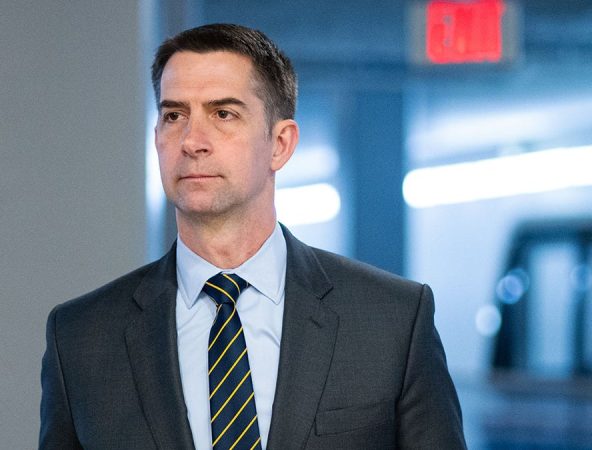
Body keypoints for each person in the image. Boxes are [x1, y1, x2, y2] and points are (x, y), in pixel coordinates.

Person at [40, 23, 466, 449]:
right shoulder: (81, 338)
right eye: (174, 116)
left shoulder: (393, 321)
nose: (192, 141)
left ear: (280, 144)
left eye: (223, 114)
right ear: (156, 139)